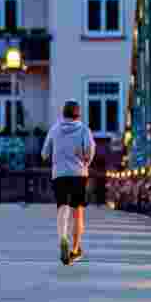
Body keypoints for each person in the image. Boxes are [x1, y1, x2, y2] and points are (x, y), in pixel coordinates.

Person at [41, 99, 96, 265]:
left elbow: (44, 153)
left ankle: (62, 238)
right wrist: (85, 161)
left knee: (62, 207)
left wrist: (54, 157)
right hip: (79, 174)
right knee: (77, 212)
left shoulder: (55, 129)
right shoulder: (84, 130)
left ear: (63, 114)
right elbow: (90, 151)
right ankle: (75, 249)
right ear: (78, 114)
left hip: (59, 175)